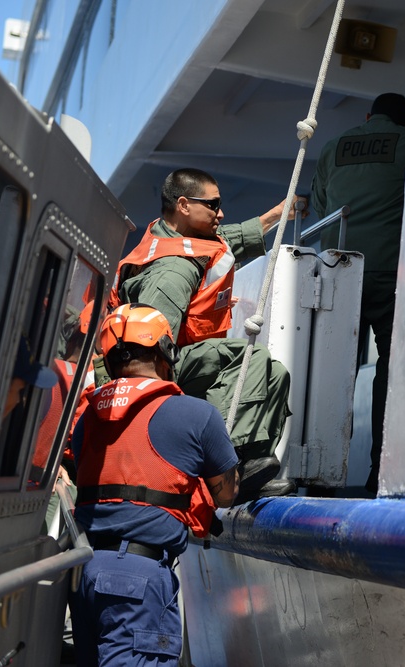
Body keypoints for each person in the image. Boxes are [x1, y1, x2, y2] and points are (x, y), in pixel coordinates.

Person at [112, 168, 303, 500]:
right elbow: (147, 350)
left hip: (180, 361)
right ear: (184, 205)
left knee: (276, 373)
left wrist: (279, 212)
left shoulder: (186, 239)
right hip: (159, 369)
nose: (221, 212)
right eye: (213, 205)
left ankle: (251, 468)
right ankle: (224, 468)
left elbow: (227, 242)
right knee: (248, 358)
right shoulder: (171, 271)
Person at [68, 303, 239, 666]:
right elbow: (226, 493)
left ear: (111, 360)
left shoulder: (88, 418)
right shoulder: (196, 413)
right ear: (164, 352)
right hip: (138, 579)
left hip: (83, 572)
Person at [310, 92, 405, 495]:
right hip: (391, 270)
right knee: (391, 371)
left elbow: (322, 205)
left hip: (338, 271)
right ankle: (380, 472)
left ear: (366, 117)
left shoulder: (333, 147)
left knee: (330, 372)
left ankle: (317, 473)